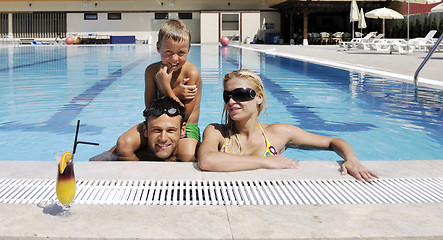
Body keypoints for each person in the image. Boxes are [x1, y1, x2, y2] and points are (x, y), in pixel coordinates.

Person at [197, 69, 379, 182]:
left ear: (259, 97)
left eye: (241, 94)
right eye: (227, 96)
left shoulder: (278, 133)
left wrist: (351, 158)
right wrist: (266, 162)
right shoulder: (217, 132)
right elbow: (207, 160)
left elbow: (333, 141)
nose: (231, 101)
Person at [116, 19, 202, 162]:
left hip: (185, 128)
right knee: (124, 146)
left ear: (189, 50)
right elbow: (149, 107)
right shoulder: (151, 71)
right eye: (168, 52)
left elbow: (183, 114)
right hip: (156, 123)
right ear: (158, 48)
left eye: (181, 52)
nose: (174, 58)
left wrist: (166, 87)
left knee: (187, 155)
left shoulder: (191, 72)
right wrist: (176, 93)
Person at [90, 97, 186, 161]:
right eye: (156, 130)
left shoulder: (189, 153)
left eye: (170, 130)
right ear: (145, 130)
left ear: (182, 131)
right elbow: (95, 162)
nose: (163, 138)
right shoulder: (136, 152)